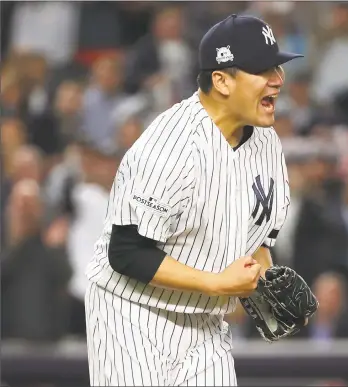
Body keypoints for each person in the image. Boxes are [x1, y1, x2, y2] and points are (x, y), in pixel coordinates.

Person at [84, 14, 303, 386]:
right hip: (132, 317)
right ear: (221, 81)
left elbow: (257, 240)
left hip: (205, 322)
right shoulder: (170, 147)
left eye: (277, 68)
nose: (278, 80)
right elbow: (125, 251)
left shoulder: (267, 143)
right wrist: (218, 283)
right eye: (262, 70)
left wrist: (265, 285)